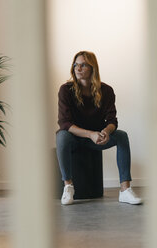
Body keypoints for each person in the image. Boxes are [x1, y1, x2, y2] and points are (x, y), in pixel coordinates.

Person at [56, 51, 142, 205]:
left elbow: (112, 120)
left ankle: (125, 190)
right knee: (61, 135)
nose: (78, 68)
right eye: (75, 65)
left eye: (83, 65)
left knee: (122, 136)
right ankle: (68, 186)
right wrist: (90, 134)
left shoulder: (106, 91)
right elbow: (64, 123)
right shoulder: (65, 90)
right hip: (75, 138)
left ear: (92, 68)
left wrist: (106, 132)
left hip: (97, 139)